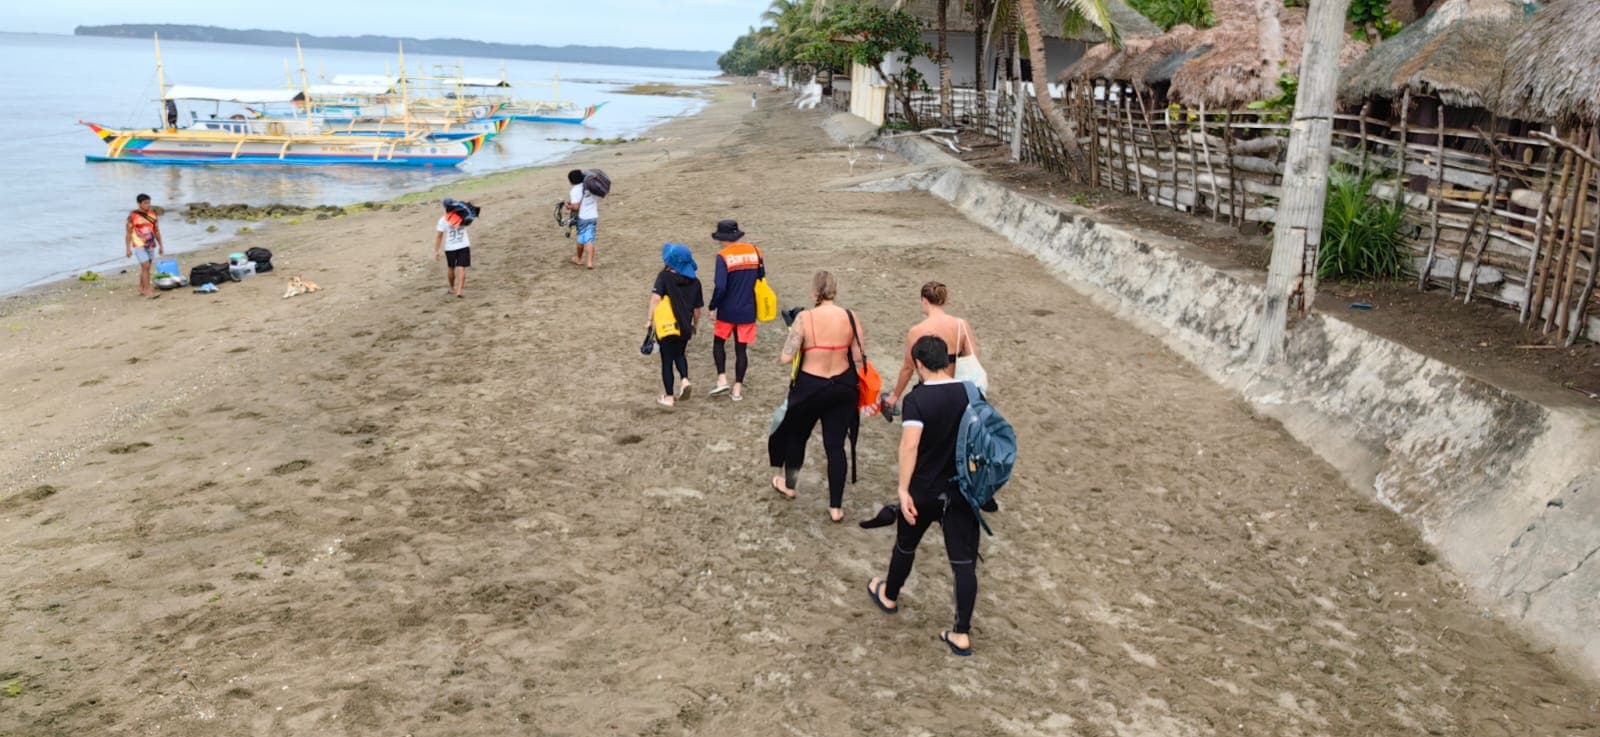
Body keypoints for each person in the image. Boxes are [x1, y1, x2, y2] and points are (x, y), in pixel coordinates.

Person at [866, 335, 982, 656]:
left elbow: (910, 445)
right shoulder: (971, 392)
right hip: (961, 489)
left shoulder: (918, 400)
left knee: (906, 546)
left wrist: (903, 490)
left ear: (918, 364)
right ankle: (961, 633)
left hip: (924, 490)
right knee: (963, 564)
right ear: (946, 361)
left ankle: (889, 595)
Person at [768, 271, 863, 523]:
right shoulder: (850, 317)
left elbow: (785, 358)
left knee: (797, 437)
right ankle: (836, 508)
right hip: (842, 385)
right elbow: (859, 357)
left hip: (811, 384)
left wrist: (795, 335)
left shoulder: (805, 317)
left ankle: (789, 485)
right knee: (835, 446)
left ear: (814, 293)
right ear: (835, 290)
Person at [885, 281, 980, 411]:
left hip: (929, 391)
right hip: (955, 390)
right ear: (944, 300)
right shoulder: (961, 325)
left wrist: (895, 396)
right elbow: (973, 359)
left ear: (924, 301)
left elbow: (908, 368)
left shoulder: (917, 331)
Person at [707, 219, 766, 401]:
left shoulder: (723, 256)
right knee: (741, 350)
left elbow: (720, 287)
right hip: (748, 309)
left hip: (727, 310)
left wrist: (713, 306)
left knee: (719, 344)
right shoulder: (756, 252)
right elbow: (761, 276)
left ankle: (722, 379)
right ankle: (737, 389)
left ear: (722, 239)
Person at [650, 243, 704, 408]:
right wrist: (694, 325)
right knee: (680, 354)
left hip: (666, 327)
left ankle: (669, 397)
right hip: (684, 326)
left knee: (667, 360)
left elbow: (656, 299)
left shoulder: (664, 277)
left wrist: (649, 320)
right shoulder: (696, 283)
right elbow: (697, 309)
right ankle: (685, 379)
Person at [125, 194, 164, 299]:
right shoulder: (132, 216)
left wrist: (161, 245)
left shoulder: (153, 215)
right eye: (145, 203)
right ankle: (148, 290)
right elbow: (128, 233)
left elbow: (156, 231)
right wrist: (128, 249)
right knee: (146, 266)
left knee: (146, 267)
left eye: (149, 202)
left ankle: (142, 288)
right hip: (139, 244)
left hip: (150, 244)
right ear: (139, 204)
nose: (148, 205)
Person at [434, 198, 472, 298]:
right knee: (461, 267)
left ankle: (452, 288)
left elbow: (439, 236)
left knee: (451, 267)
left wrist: (436, 251)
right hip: (463, 245)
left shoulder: (443, 219)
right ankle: (459, 290)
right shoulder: (462, 215)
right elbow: (470, 219)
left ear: (444, 207)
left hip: (450, 247)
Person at [567, 169, 600, 269]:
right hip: (593, 215)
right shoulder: (590, 186)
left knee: (581, 239)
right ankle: (589, 262)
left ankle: (580, 259)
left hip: (582, 217)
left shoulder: (574, 190)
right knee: (590, 238)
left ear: (571, 181)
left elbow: (576, 207)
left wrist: (568, 206)